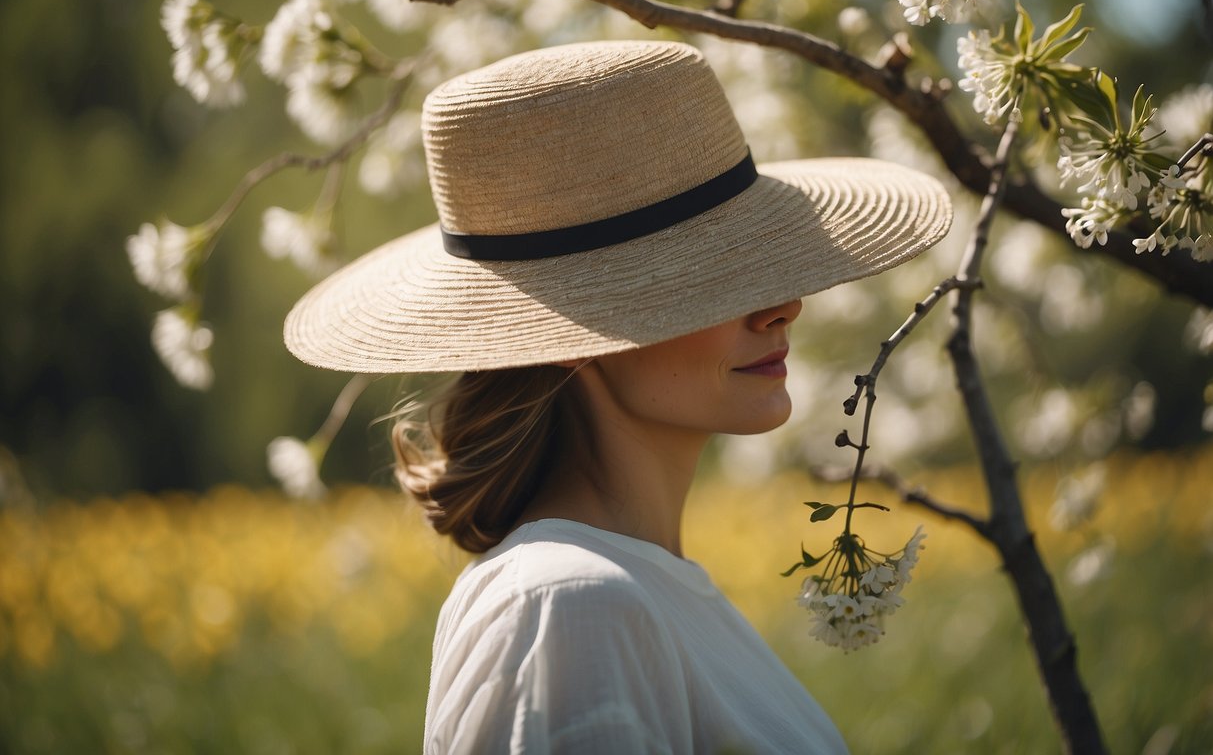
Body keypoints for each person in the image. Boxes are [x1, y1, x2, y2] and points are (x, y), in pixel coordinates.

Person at [283, 40, 952, 754]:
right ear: (572, 325)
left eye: (759, 264)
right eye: (711, 276)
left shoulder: (621, 594)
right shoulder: (570, 608)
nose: (782, 306)